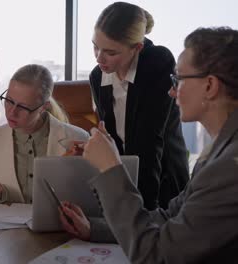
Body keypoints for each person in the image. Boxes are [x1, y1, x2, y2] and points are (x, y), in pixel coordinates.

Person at [61, 27, 238, 263]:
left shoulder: (228, 168)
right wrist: (93, 229)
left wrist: (111, 168)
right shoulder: (219, 151)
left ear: (210, 86)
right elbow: (168, 219)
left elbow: (155, 255)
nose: (172, 91)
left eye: (180, 79)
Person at [89, 2, 189, 210]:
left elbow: (150, 142)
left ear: (137, 48)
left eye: (110, 52)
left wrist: (142, 215)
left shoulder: (157, 62)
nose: (99, 58)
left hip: (163, 183)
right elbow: (113, 140)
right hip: (125, 180)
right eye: (95, 47)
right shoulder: (97, 76)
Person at [0, 64, 89, 203]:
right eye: (9, 101)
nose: (12, 112)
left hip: (59, 223)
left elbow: (86, 199)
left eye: (23, 107)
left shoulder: (79, 139)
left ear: (44, 107)